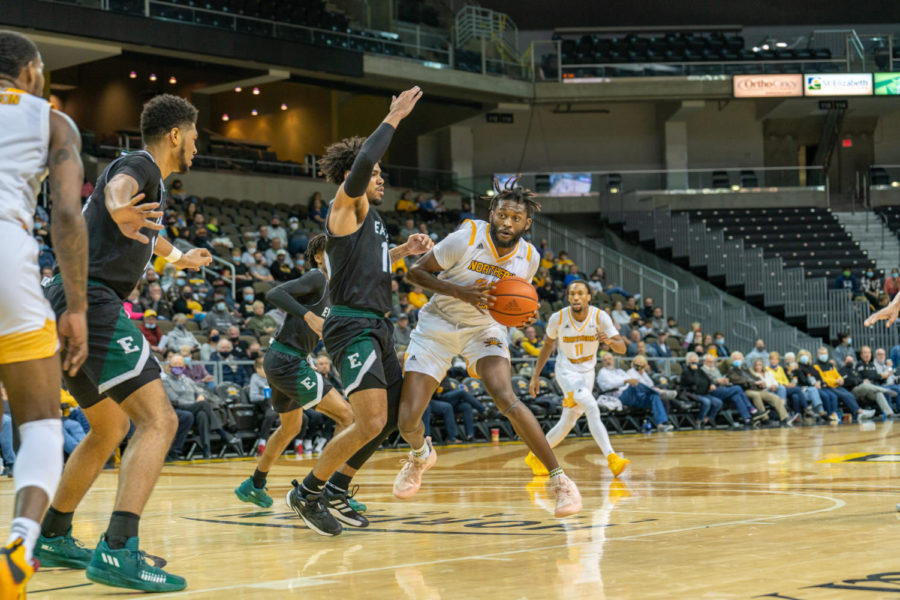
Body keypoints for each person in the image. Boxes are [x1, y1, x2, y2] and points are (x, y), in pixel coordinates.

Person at [36, 94, 211, 592]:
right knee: (160, 419)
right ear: (176, 134)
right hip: (91, 302)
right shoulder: (141, 166)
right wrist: (118, 208)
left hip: (67, 302)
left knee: (107, 427)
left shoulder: (149, 180)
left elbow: (142, 231)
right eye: (195, 137)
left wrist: (180, 258)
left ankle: (53, 534)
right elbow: (118, 191)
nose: (197, 147)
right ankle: (117, 550)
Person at [286, 86, 433, 537]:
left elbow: (369, 265)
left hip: (377, 324)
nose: (381, 178)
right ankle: (308, 492)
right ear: (357, 173)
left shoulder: (371, 222)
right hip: (352, 326)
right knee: (368, 419)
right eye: (376, 173)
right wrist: (394, 117)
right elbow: (366, 160)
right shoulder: (345, 204)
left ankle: (338, 488)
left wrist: (403, 250)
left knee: (388, 418)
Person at [396, 177, 582, 518]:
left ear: (527, 223)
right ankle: (420, 454)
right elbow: (415, 273)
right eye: (502, 215)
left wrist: (520, 317)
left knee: (504, 394)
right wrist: (459, 292)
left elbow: (512, 302)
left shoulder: (529, 257)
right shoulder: (466, 237)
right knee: (407, 420)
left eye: (515, 218)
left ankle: (559, 481)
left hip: (484, 328)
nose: (507, 223)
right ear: (492, 213)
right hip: (436, 326)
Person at [0, 31, 90, 597]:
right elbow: (65, 217)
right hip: (7, 256)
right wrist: (75, 306)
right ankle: (19, 546)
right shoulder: (51, 122)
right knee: (40, 425)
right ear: (31, 71)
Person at [234, 234, 362, 520]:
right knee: (347, 417)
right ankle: (325, 489)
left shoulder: (337, 289)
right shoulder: (317, 277)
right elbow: (274, 293)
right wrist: (307, 316)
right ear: (318, 256)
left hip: (285, 358)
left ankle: (254, 484)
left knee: (291, 427)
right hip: (287, 360)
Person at [527, 281, 629, 477]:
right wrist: (535, 376)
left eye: (580, 293)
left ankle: (534, 456)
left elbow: (622, 348)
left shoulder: (600, 317)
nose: (576, 297)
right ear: (568, 297)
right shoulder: (558, 318)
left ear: (588, 297)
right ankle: (612, 458)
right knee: (592, 406)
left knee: (568, 422)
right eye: (572, 293)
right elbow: (547, 346)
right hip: (566, 371)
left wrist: (608, 341)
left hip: (587, 372)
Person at [162, 355, 238, 458]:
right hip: (179, 407)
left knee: (202, 414)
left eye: (180, 364)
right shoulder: (166, 381)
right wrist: (196, 403)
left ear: (184, 367)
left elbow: (202, 392)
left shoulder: (187, 380)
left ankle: (206, 450)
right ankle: (221, 432)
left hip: (194, 407)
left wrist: (201, 395)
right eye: (175, 364)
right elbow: (174, 400)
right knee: (203, 405)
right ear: (169, 367)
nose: (177, 367)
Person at [596, 353, 673, 431]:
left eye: (609, 359)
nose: (608, 361)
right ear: (602, 362)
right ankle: (660, 392)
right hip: (621, 396)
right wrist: (625, 381)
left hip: (635, 396)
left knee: (653, 396)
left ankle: (661, 425)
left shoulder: (620, 371)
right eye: (605, 360)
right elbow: (609, 385)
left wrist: (635, 378)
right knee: (635, 383)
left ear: (613, 360)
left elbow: (635, 381)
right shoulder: (603, 373)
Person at [813, 347, 875, 423]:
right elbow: (823, 379)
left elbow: (837, 375)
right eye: (822, 354)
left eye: (825, 353)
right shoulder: (816, 366)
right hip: (828, 387)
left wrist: (840, 380)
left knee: (850, 395)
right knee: (846, 396)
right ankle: (859, 411)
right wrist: (835, 381)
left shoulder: (830, 365)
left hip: (837, 385)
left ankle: (857, 413)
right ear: (818, 355)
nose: (824, 355)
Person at [678, 353, 723, 428]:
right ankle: (699, 420)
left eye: (695, 360)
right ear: (688, 362)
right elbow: (692, 382)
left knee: (718, 402)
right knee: (706, 402)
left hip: (704, 393)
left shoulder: (700, 370)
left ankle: (709, 418)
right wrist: (694, 371)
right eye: (692, 361)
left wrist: (712, 384)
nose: (694, 362)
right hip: (692, 393)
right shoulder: (686, 371)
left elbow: (708, 380)